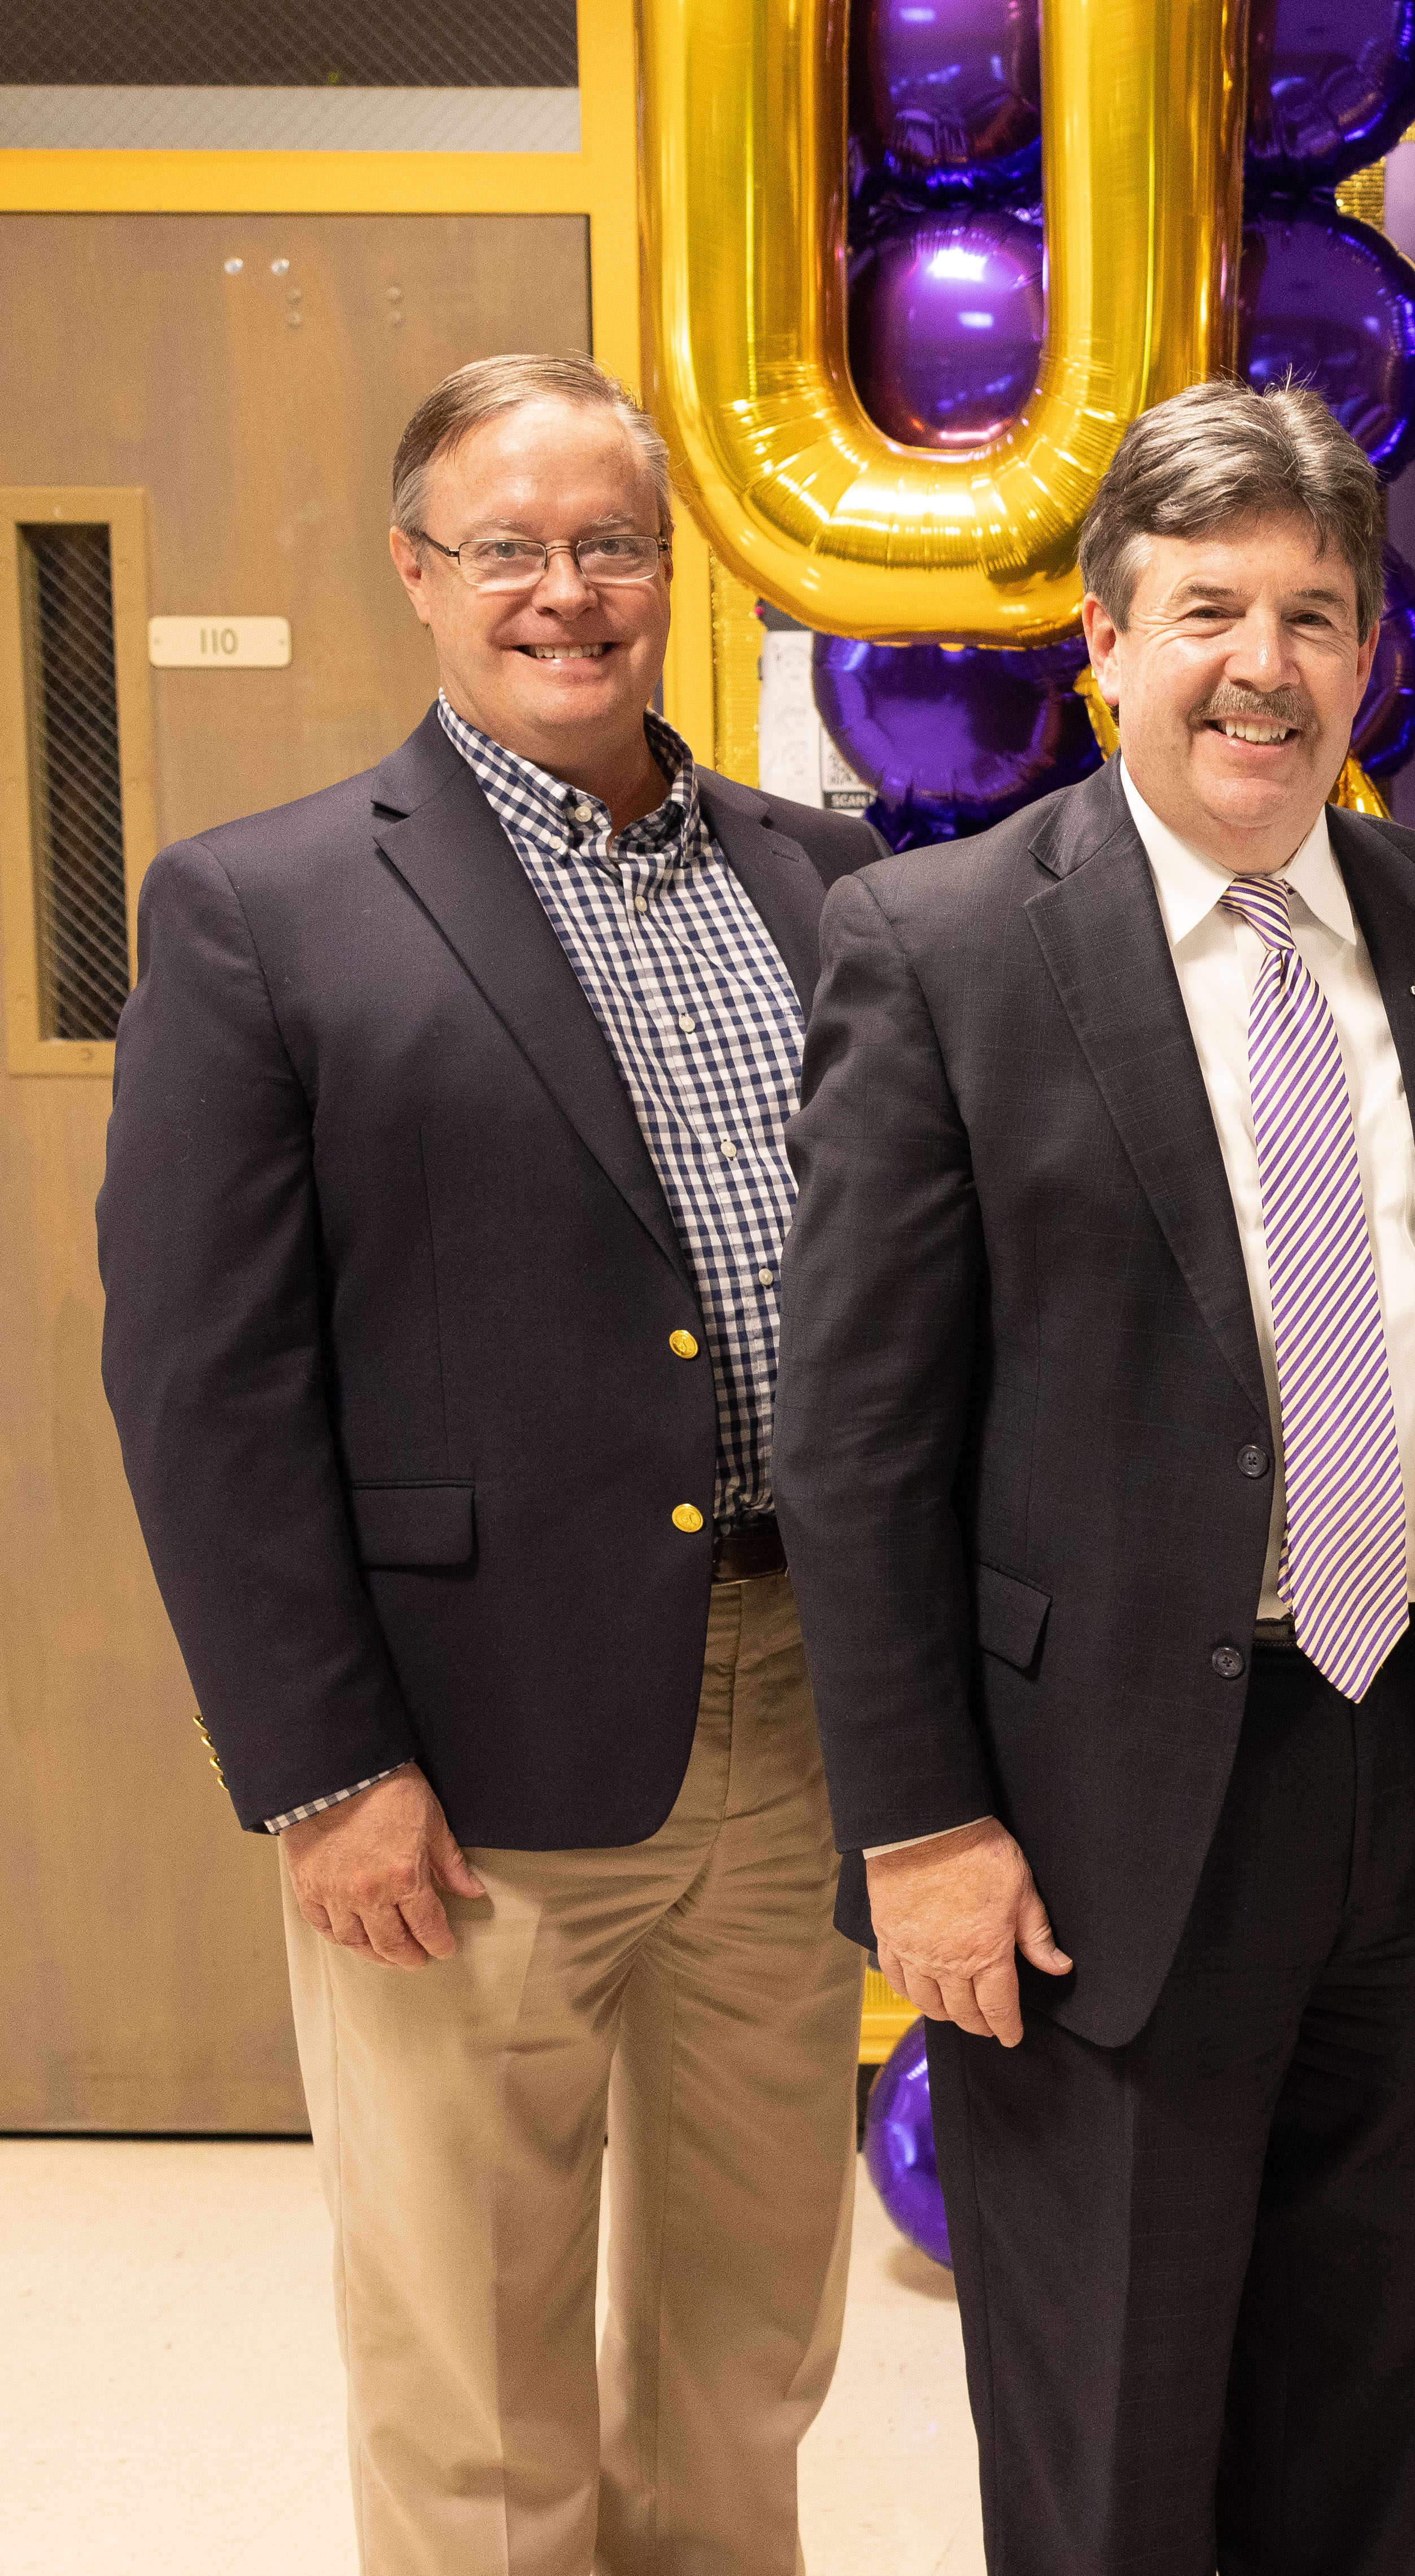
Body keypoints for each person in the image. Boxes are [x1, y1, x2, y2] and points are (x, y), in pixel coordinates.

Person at [95, 352, 884, 2574]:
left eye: (611, 544)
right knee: (479, 2378)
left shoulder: (828, 887)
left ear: (672, 570)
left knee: (749, 2357)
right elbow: (202, 1379)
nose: (568, 594)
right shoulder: (264, 911)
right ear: (418, 573)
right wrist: (320, 1760)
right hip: (451, 1766)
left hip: (798, 1711)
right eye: (511, 549)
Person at [772, 378, 1415, 2574]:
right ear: (1104, 641)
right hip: (1100, 1812)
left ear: (1367, 658)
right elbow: (856, 1436)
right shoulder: (940, 948)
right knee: (1114, 2447)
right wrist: (920, 1825)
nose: (1265, 664)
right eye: (1208, 607)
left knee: (1381, 2404)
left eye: (1318, 613)